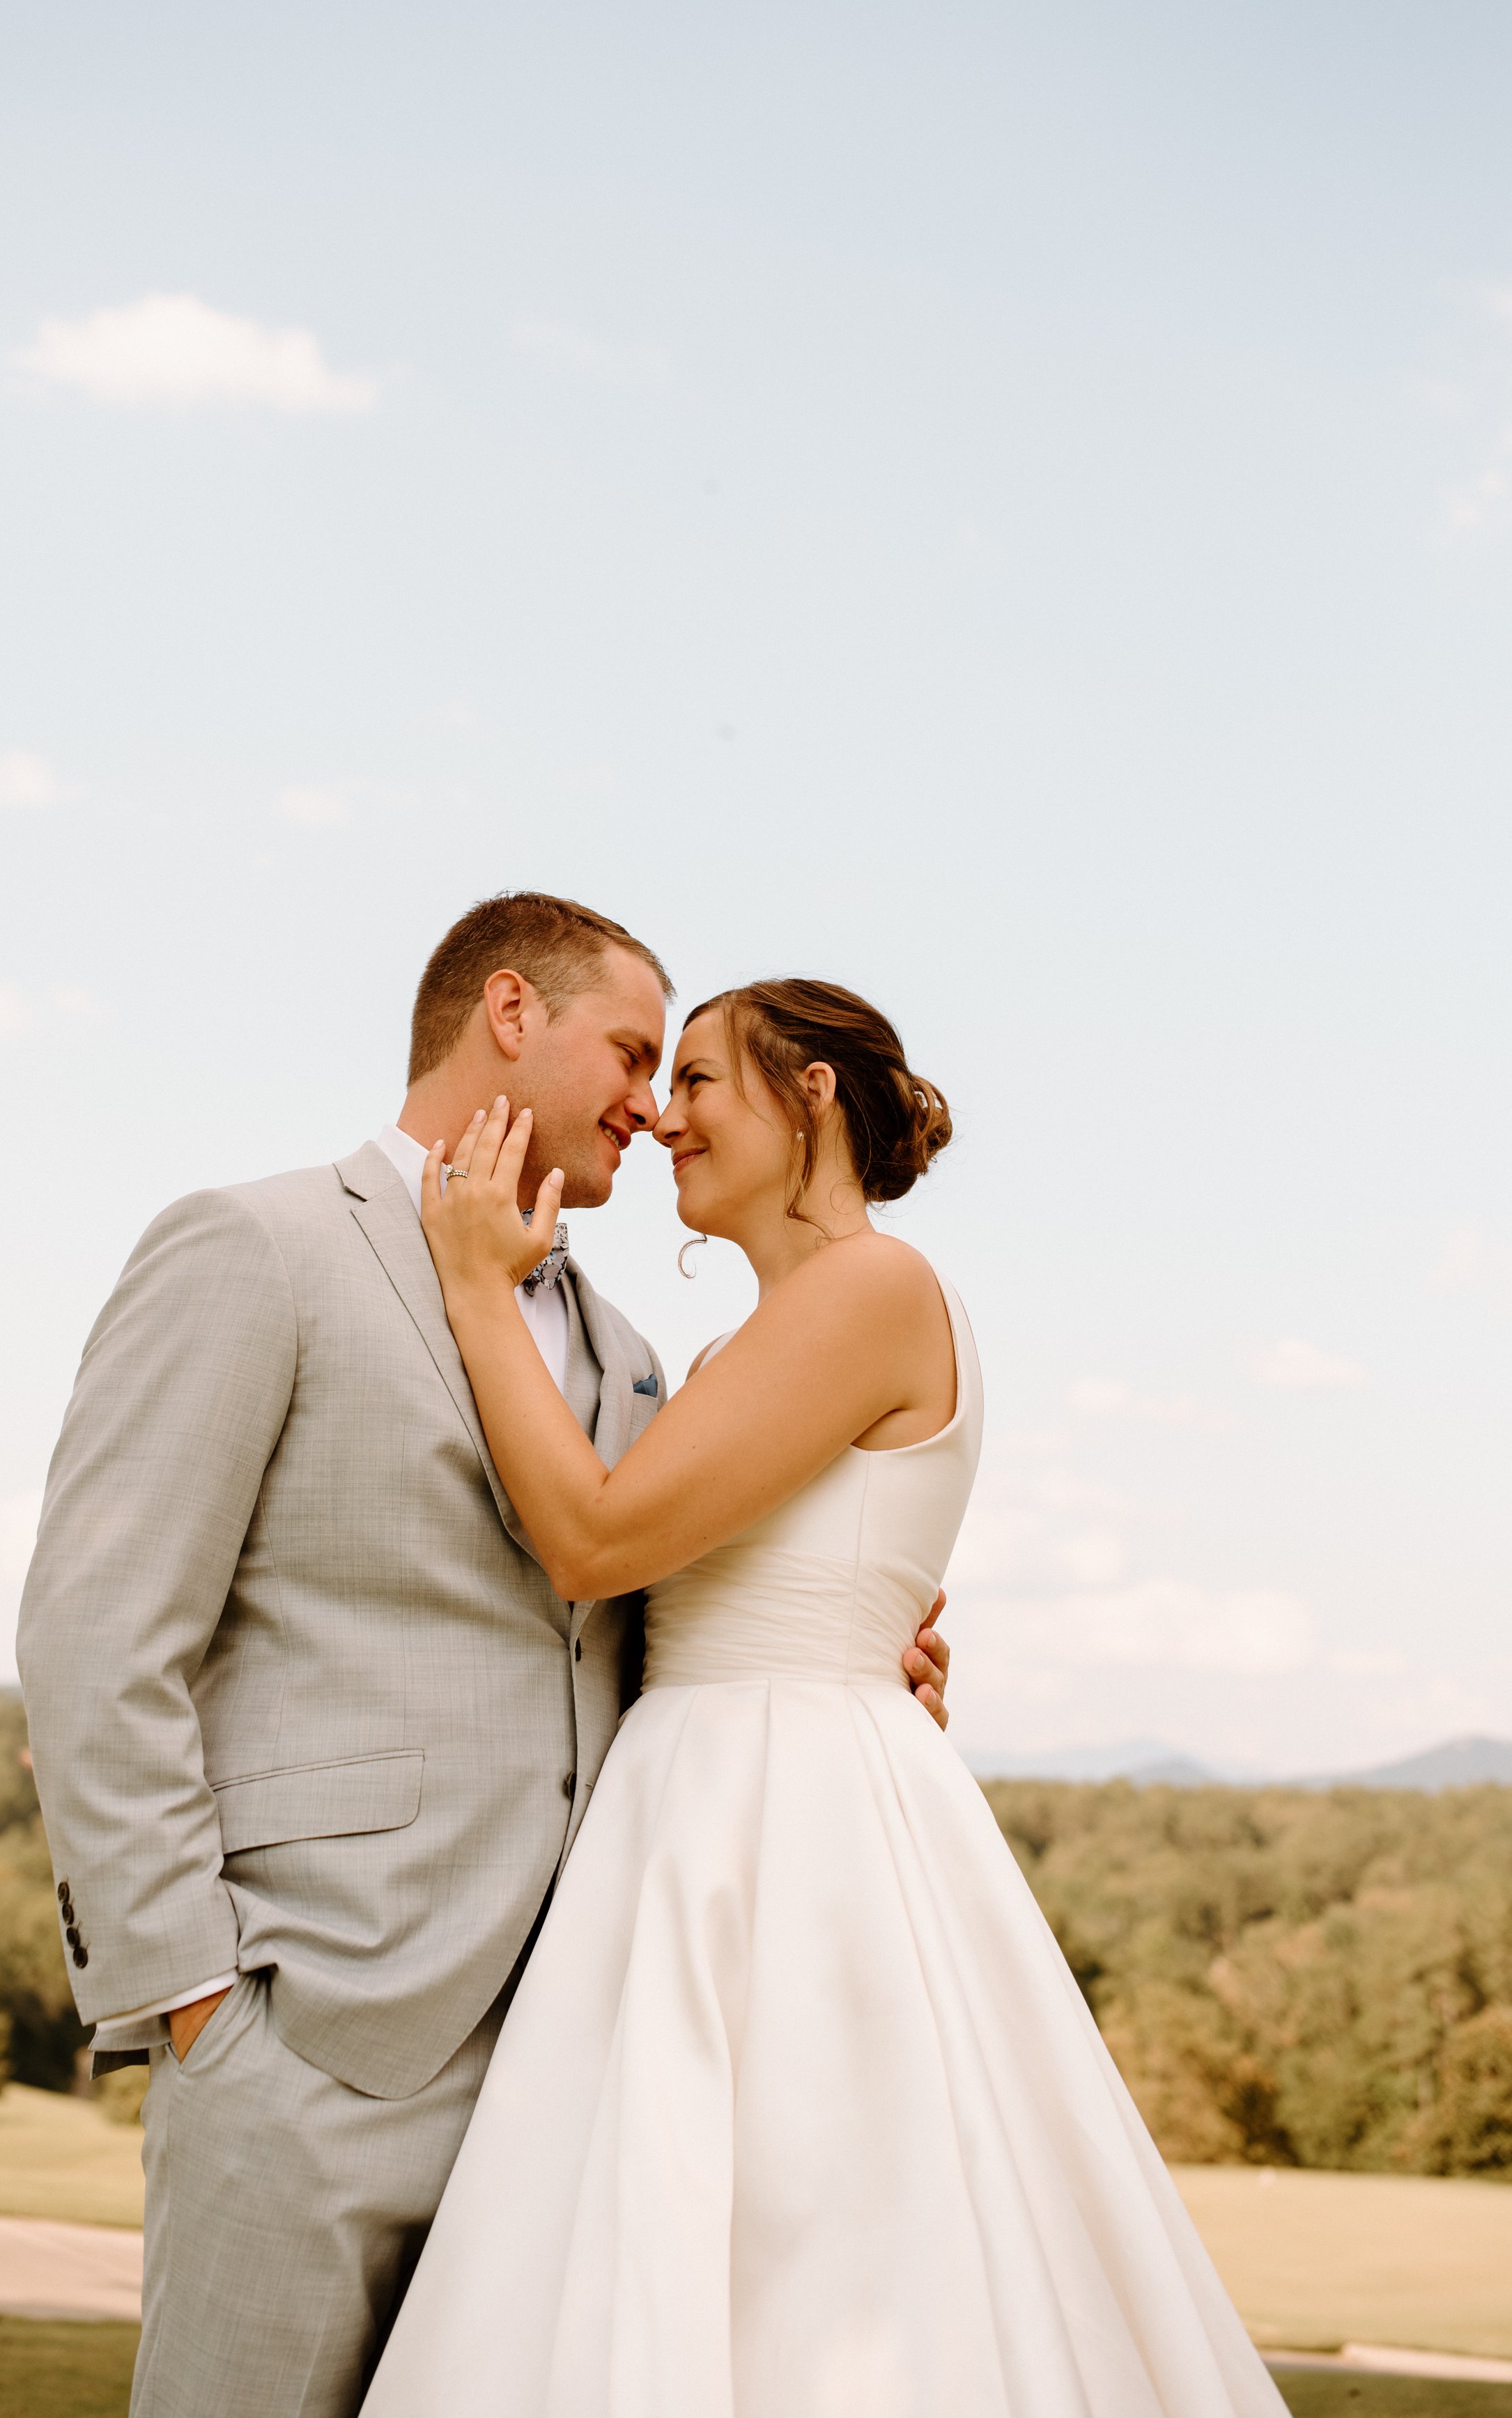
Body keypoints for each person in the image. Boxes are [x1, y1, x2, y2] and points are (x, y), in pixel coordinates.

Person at [15, 896, 950, 2418]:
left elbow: (668, 1605)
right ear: (510, 1014)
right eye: (635, 1052)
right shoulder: (258, 1247)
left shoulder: (635, 1353)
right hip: (303, 2043)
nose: (651, 1109)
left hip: (567, 2074)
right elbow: (98, 1633)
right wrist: (196, 2002)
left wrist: (858, 1644)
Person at [364, 978, 1284, 2418]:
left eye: (701, 1079)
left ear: (809, 1098)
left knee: (820, 2248)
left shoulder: (873, 1286)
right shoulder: (744, 1345)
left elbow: (596, 1538)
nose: (662, 1115)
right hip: (695, 1803)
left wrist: (474, 1285)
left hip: (784, 1826)